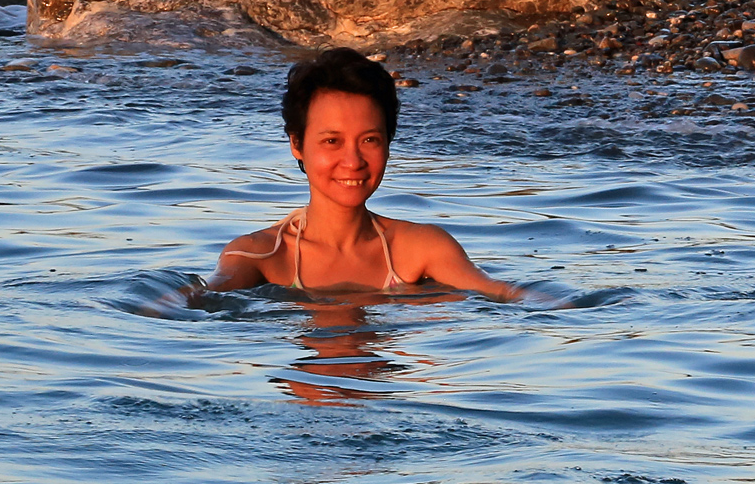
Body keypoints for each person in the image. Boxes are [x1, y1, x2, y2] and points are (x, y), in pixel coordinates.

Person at [208, 47, 521, 300]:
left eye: (370, 140)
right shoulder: (259, 256)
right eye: (332, 141)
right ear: (297, 144)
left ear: (388, 142)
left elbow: (502, 294)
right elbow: (195, 301)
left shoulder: (421, 249)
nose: (353, 160)